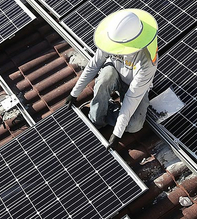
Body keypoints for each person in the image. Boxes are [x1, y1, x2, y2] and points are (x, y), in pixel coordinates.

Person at [66, 9, 158, 149]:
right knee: (97, 110)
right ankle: (100, 111)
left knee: (134, 126)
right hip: (113, 72)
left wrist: (117, 133)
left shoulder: (147, 61)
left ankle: (108, 109)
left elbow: (132, 97)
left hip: (133, 86)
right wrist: (74, 93)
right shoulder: (111, 40)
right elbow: (94, 65)